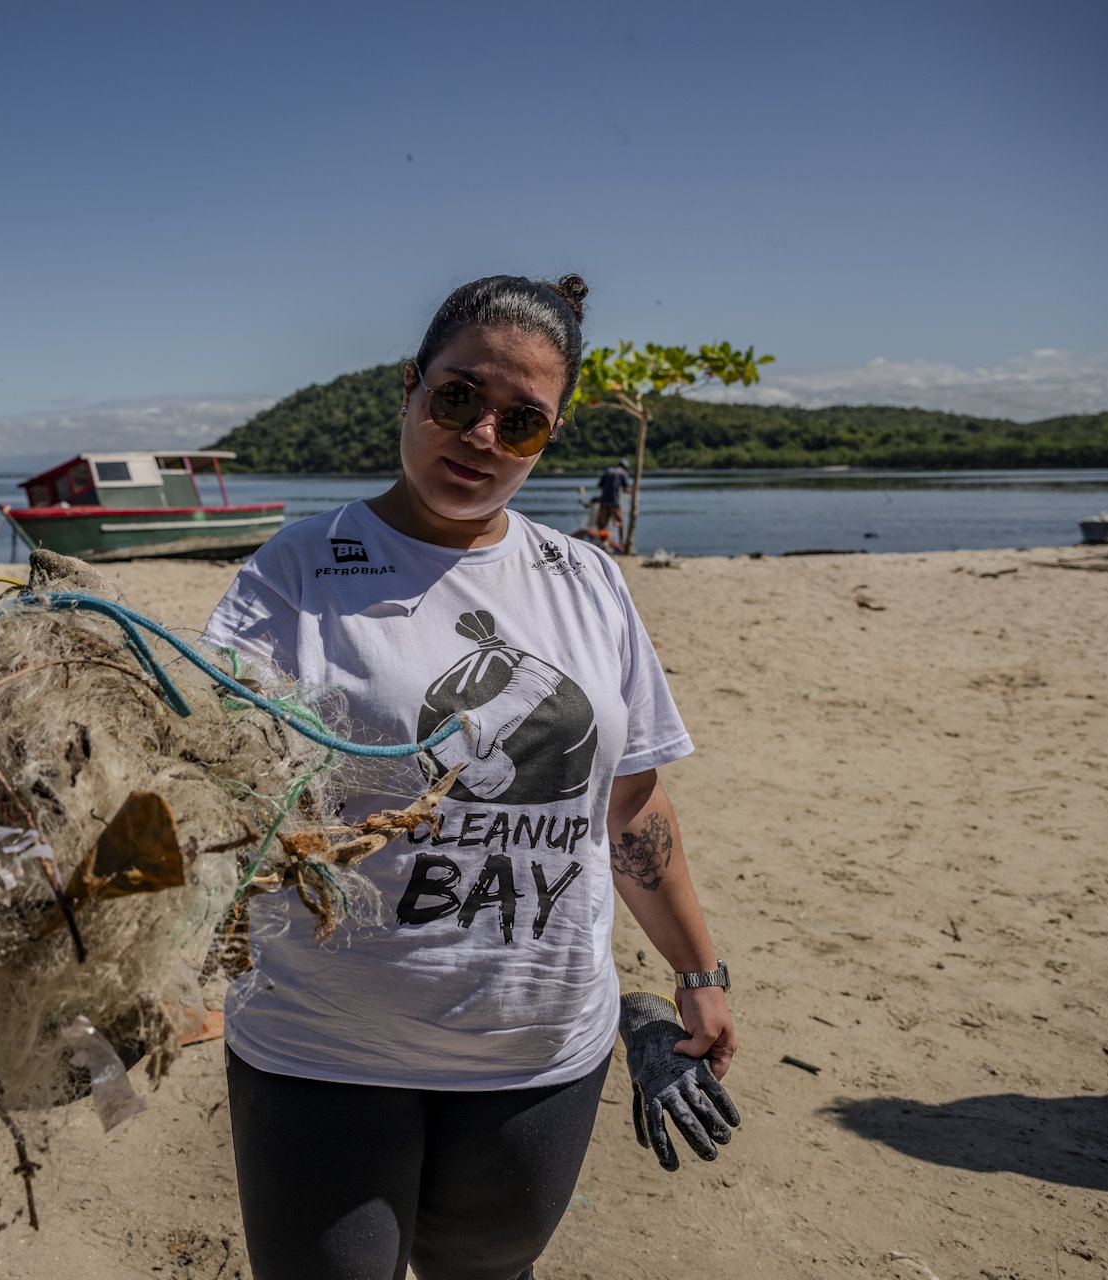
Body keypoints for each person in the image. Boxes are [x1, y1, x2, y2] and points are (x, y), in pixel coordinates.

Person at [202, 275, 739, 1280]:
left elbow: (631, 804)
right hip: (324, 1041)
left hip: (536, 1052)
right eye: (458, 400)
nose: (483, 435)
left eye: (522, 421)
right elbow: (202, 782)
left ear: (549, 434)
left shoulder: (585, 580)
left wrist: (699, 976)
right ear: (409, 390)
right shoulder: (300, 570)